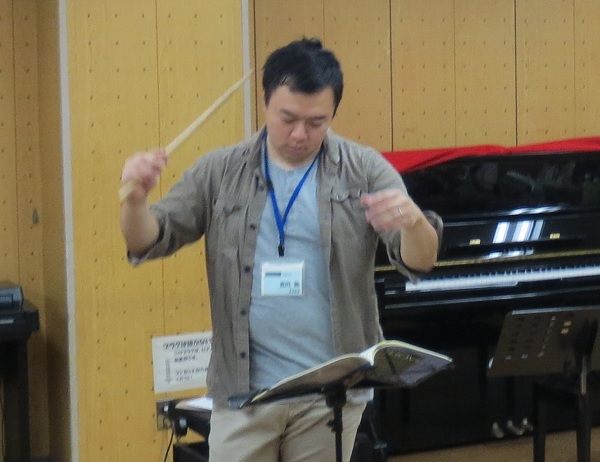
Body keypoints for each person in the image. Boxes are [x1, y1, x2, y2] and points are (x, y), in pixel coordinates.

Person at [120, 38, 440, 462]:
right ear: (265, 103)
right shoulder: (220, 171)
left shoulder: (362, 169)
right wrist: (135, 200)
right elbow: (147, 239)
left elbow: (421, 260)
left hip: (330, 394)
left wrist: (414, 222)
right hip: (244, 393)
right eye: (287, 119)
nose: (299, 134)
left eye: (316, 122)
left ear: (332, 114)